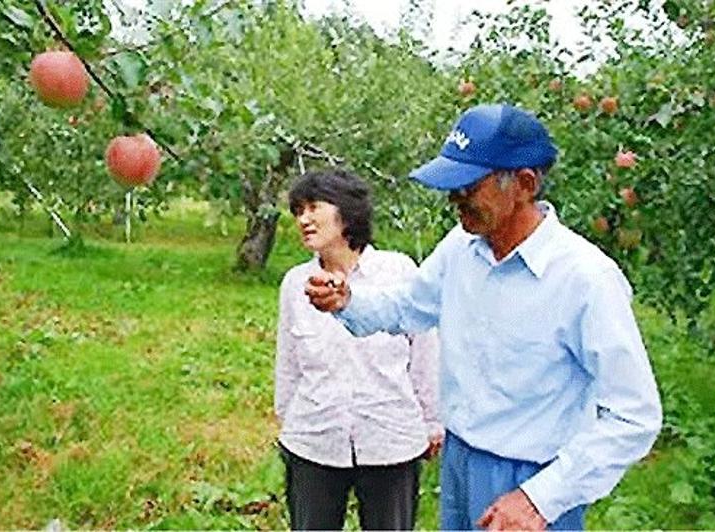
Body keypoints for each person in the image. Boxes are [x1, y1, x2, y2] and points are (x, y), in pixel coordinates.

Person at [304, 104, 662, 530]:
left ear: (524, 184)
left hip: (532, 475)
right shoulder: (462, 248)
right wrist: (348, 302)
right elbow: (409, 306)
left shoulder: (585, 279)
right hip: (460, 459)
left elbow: (634, 414)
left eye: (468, 187)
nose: (455, 199)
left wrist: (540, 499)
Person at [275, 169, 443, 530]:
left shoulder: (398, 272)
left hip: (390, 437)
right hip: (315, 438)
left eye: (313, 207)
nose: (303, 219)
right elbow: (288, 362)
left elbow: (425, 352)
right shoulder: (295, 284)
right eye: (297, 211)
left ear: (346, 210)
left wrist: (431, 421)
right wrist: (290, 420)